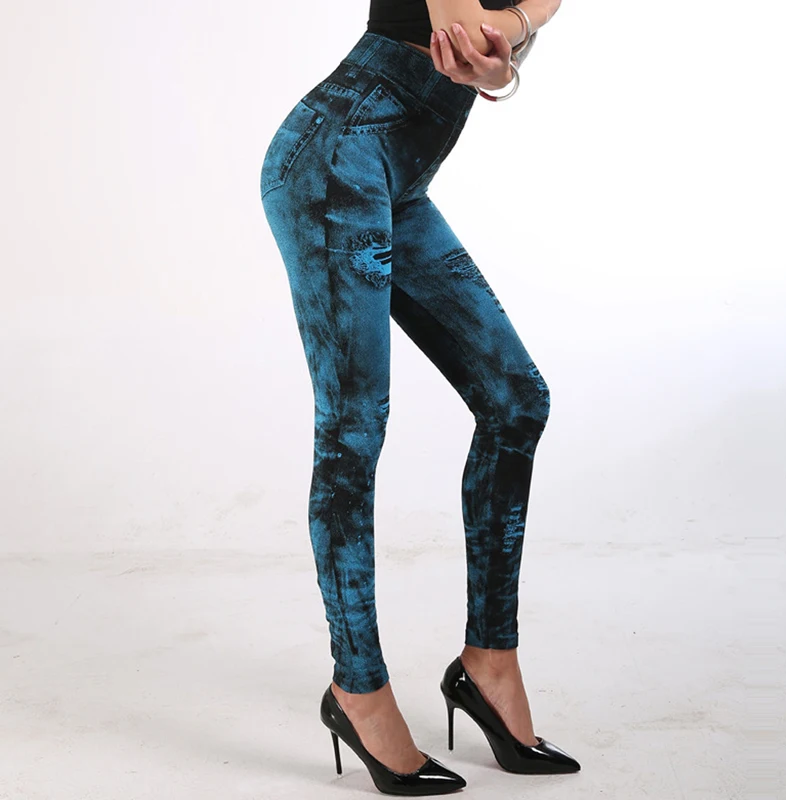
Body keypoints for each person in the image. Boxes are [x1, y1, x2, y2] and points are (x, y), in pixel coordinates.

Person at [259, 0, 579, 794]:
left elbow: (499, 43)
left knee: (515, 399)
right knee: (354, 428)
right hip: (336, 159)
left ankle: (488, 662)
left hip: (395, 177)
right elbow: (476, 35)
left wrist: (505, 49)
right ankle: (357, 690)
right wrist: (512, 38)